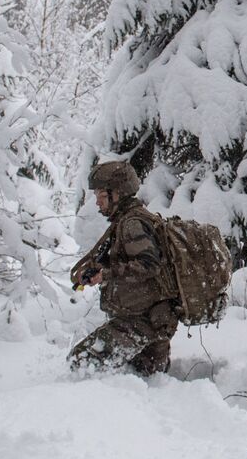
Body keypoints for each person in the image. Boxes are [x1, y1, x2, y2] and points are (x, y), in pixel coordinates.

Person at [67, 160, 179, 376]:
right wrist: (101, 268)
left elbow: (149, 265)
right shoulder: (130, 220)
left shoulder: (131, 224)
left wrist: (106, 274)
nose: (97, 202)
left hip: (141, 323)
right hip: (154, 321)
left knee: (80, 363)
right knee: (145, 378)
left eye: (101, 195)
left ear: (117, 193)